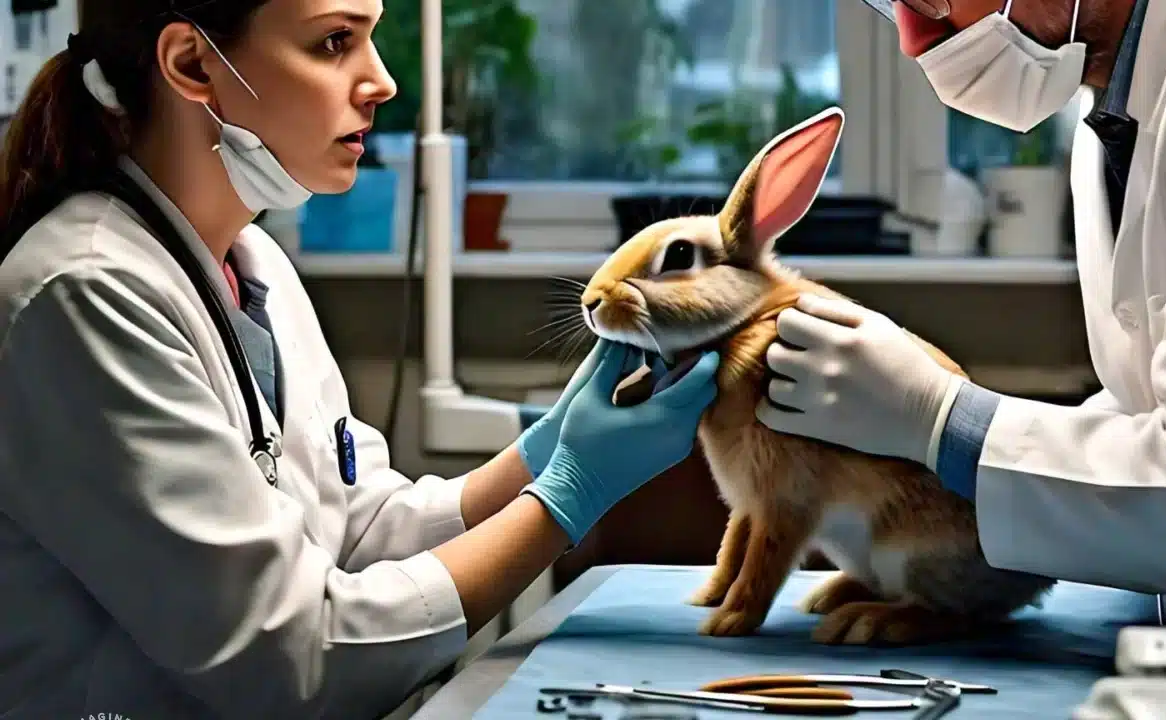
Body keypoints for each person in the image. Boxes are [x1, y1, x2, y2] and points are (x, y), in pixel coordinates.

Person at [0, 1, 719, 718]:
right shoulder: (84, 294)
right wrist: (569, 495)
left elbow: (356, 529)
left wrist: (542, 455)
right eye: (335, 41)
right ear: (192, 63)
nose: (381, 81)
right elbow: (292, 656)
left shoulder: (256, 267)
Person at [758, 0, 1166, 674]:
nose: (915, 41)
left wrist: (945, 422)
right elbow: (1161, 400)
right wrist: (940, 458)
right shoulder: (1108, 125)